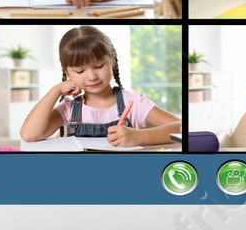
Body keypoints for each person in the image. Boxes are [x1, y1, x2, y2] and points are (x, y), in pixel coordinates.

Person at [19, 25, 177, 148]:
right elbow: (29, 134)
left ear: (112, 60)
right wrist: (56, 90)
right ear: (67, 72)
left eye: (99, 66)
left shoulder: (134, 102)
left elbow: (182, 130)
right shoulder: (69, 108)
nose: (92, 76)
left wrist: (139, 136)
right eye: (80, 71)